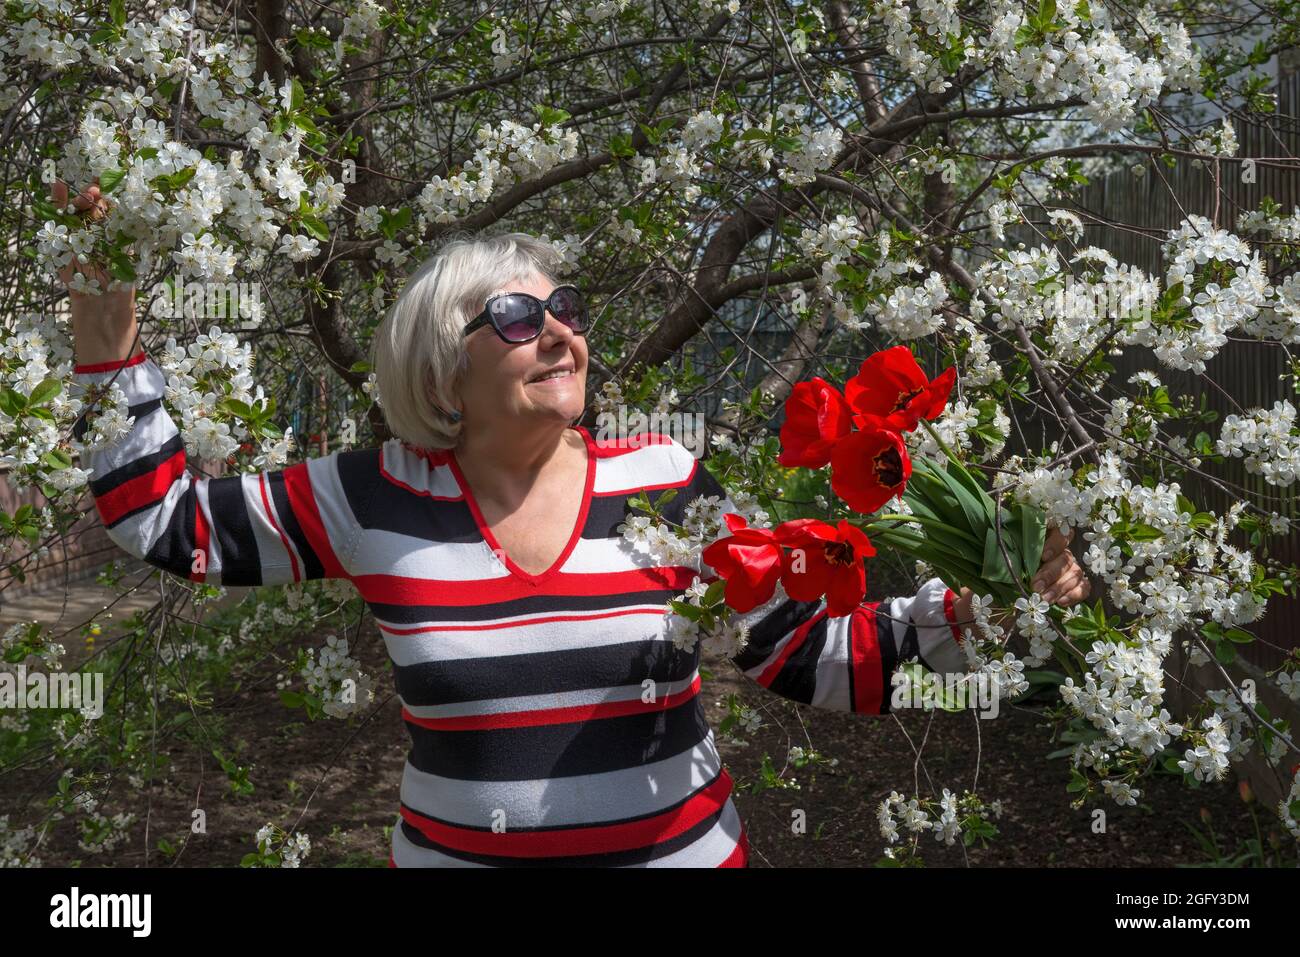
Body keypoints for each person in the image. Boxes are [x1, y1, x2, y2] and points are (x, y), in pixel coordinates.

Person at [53, 178, 1091, 867]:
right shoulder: (366, 495)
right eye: (514, 318)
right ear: (439, 366)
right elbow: (166, 522)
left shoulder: (666, 482)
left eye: (568, 311)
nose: (556, 332)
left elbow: (796, 651)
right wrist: (107, 349)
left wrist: (977, 614)